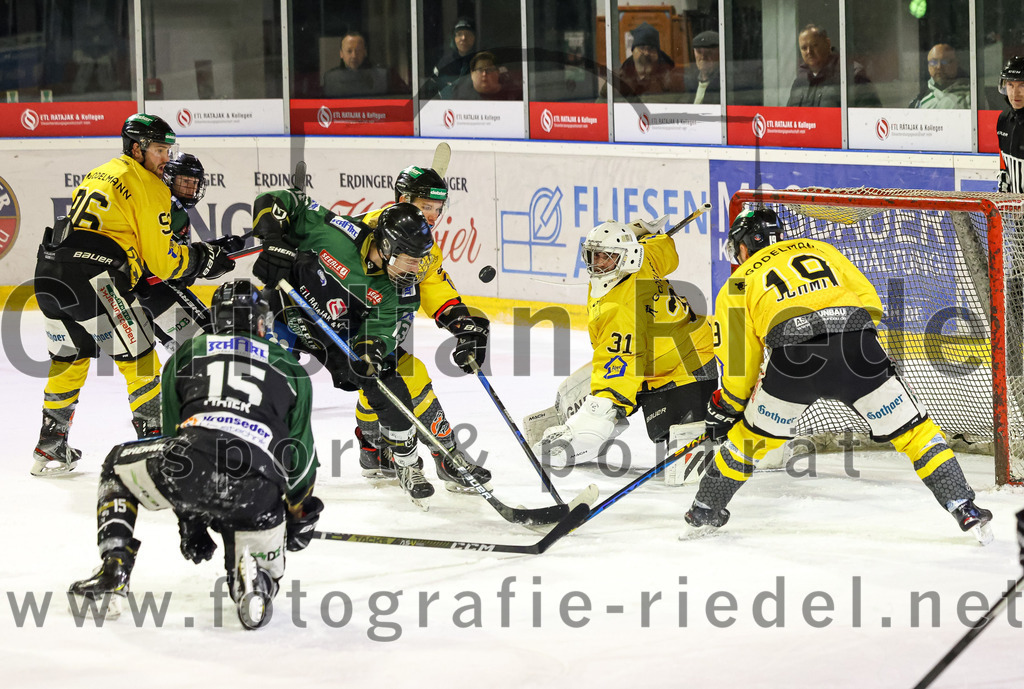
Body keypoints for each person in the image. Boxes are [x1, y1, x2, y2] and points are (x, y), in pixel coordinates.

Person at [683, 208, 994, 545]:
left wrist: (728, 406)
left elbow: (740, 365)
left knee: (750, 440)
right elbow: (870, 303)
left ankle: (704, 509)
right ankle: (964, 507)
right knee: (916, 434)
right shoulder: (819, 249)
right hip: (857, 350)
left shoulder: (738, 282)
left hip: (794, 363)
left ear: (743, 246)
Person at [68, 280, 320, 630]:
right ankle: (255, 579)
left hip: (192, 463)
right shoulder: (290, 367)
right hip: (257, 485)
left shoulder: (189, 351)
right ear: (263, 323)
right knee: (250, 513)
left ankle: (114, 571)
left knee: (117, 465)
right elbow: (300, 456)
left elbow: (174, 435)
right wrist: (297, 513)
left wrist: (190, 517)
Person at [250, 189, 490, 508]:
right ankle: (256, 468)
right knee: (268, 386)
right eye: (410, 260)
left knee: (390, 378)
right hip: (285, 313)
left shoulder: (400, 292)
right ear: (388, 246)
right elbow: (278, 199)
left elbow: (379, 334)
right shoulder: (334, 233)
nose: (415, 270)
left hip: (338, 333)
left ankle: (404, 460)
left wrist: (369, 354)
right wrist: (273, 240)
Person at [31, 114, 235, 477]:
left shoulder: (100, 171)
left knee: (69, 361)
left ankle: (50, 447)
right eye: (159, 149)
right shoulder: (151, 186)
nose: (165, 158)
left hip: (48, 273)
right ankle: (152, 449)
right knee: (142, 363)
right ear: (137, 148)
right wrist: (205, 259)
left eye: (168, 149)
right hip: (93, 279)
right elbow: (165, 263)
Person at [346, 165, 493, 496]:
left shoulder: (421, 243)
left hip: (380, 331)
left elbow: (433, 285)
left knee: (379, 388)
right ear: (403, 200)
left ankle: (373, 450)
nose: (433, 216)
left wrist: (462, 324)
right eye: (426, 206)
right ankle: (448, 458)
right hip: (343, 327)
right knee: (409, 375)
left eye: (437, 209)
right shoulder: (361, 231)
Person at [532, 218, 717, 477]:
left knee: (686, 458)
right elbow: (664, 252)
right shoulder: (642, 259)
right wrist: (646, 233)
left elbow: (620, 366)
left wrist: (598, 415)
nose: (598, 264)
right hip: (655, 357)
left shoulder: (621, 309)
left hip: (685, 366)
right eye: (594, 256)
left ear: (627, 257)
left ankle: (583, 436)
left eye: (607, 258)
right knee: (601, 380)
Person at [137, 152, 242, 352]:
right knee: (210, 343)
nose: (190, 188)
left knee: (188, 353)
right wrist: (206, 259)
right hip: (155, 290)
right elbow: (165, 262)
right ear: (169, 178)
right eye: (185, 182)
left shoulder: (173, 209)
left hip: (147, 292)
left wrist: (217, 247)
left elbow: (177, 258)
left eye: (194, 183)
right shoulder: (164, 206)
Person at [787, 24, 881, 108]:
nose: (809, 52)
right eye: (804, 48)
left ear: (827, 43)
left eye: (814, 45)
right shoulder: (800, 81)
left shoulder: (851, 75)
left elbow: (868, 118)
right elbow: (789, 119)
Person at [322, 30, 407, 98]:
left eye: (358, 50)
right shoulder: (331, 79)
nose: (354, 56)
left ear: (365, 52)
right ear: (341, 53)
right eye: (349, 51)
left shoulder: (383, 76)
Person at [616, 22, 684, 99]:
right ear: (633, 51)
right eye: (641, 48)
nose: (646, 53)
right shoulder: (621, 76)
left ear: (658, 54)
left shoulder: (670, 78)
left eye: (651, 49)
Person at [909, 44, 971, 109]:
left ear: (956, 64)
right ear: (928, 66)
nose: (939, 67)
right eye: (933, 62)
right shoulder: (919, 101)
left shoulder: (973, 96)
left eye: (945, 61)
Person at [431, 17, 478, 98]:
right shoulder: (444, 63)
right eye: (459, 34)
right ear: (454, 38)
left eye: (468, 34)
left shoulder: (482, 62)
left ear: (474, 38)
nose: (463, 38)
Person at [997, 56, 1024, 194]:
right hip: (1014, 210)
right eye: (1010, 85)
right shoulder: (1004, 119)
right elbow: (1005, 165)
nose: (1015, 93)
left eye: (1022, 85)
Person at [451, 52, 522, 101]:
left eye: (489, 70)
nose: (484, 74)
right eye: (480, 70)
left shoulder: (513, 95)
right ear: (472, 73)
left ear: (497, 73)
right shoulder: (460, 93)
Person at [684, 30, 720, 105]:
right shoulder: (689, 81)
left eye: (709, 52)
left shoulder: (726, 82)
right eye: (699, 52)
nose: (703, 57)